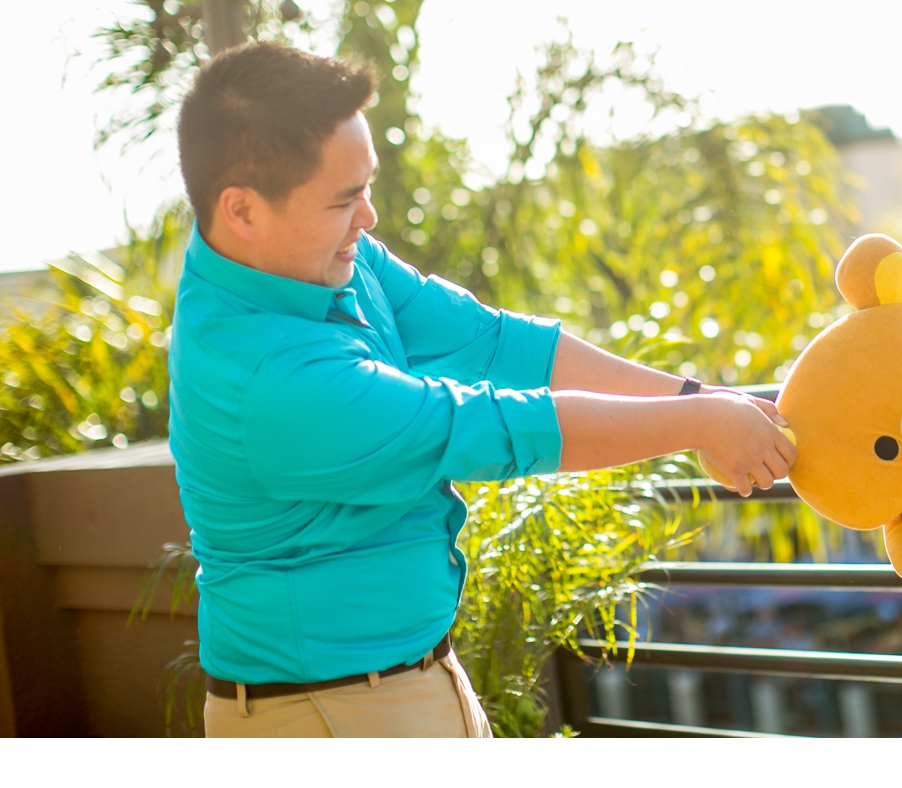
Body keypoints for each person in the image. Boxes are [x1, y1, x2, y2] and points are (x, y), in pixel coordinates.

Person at [169, 42, 795, 737]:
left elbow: (496, 343)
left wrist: (693, 400)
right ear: (243, 211)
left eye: (367, 187)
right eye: (345, 200)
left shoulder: (329, 260)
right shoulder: (268, 379)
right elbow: (493, 429)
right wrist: (699, 426)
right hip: (329, 717)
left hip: (404, 684)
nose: (368, 218)